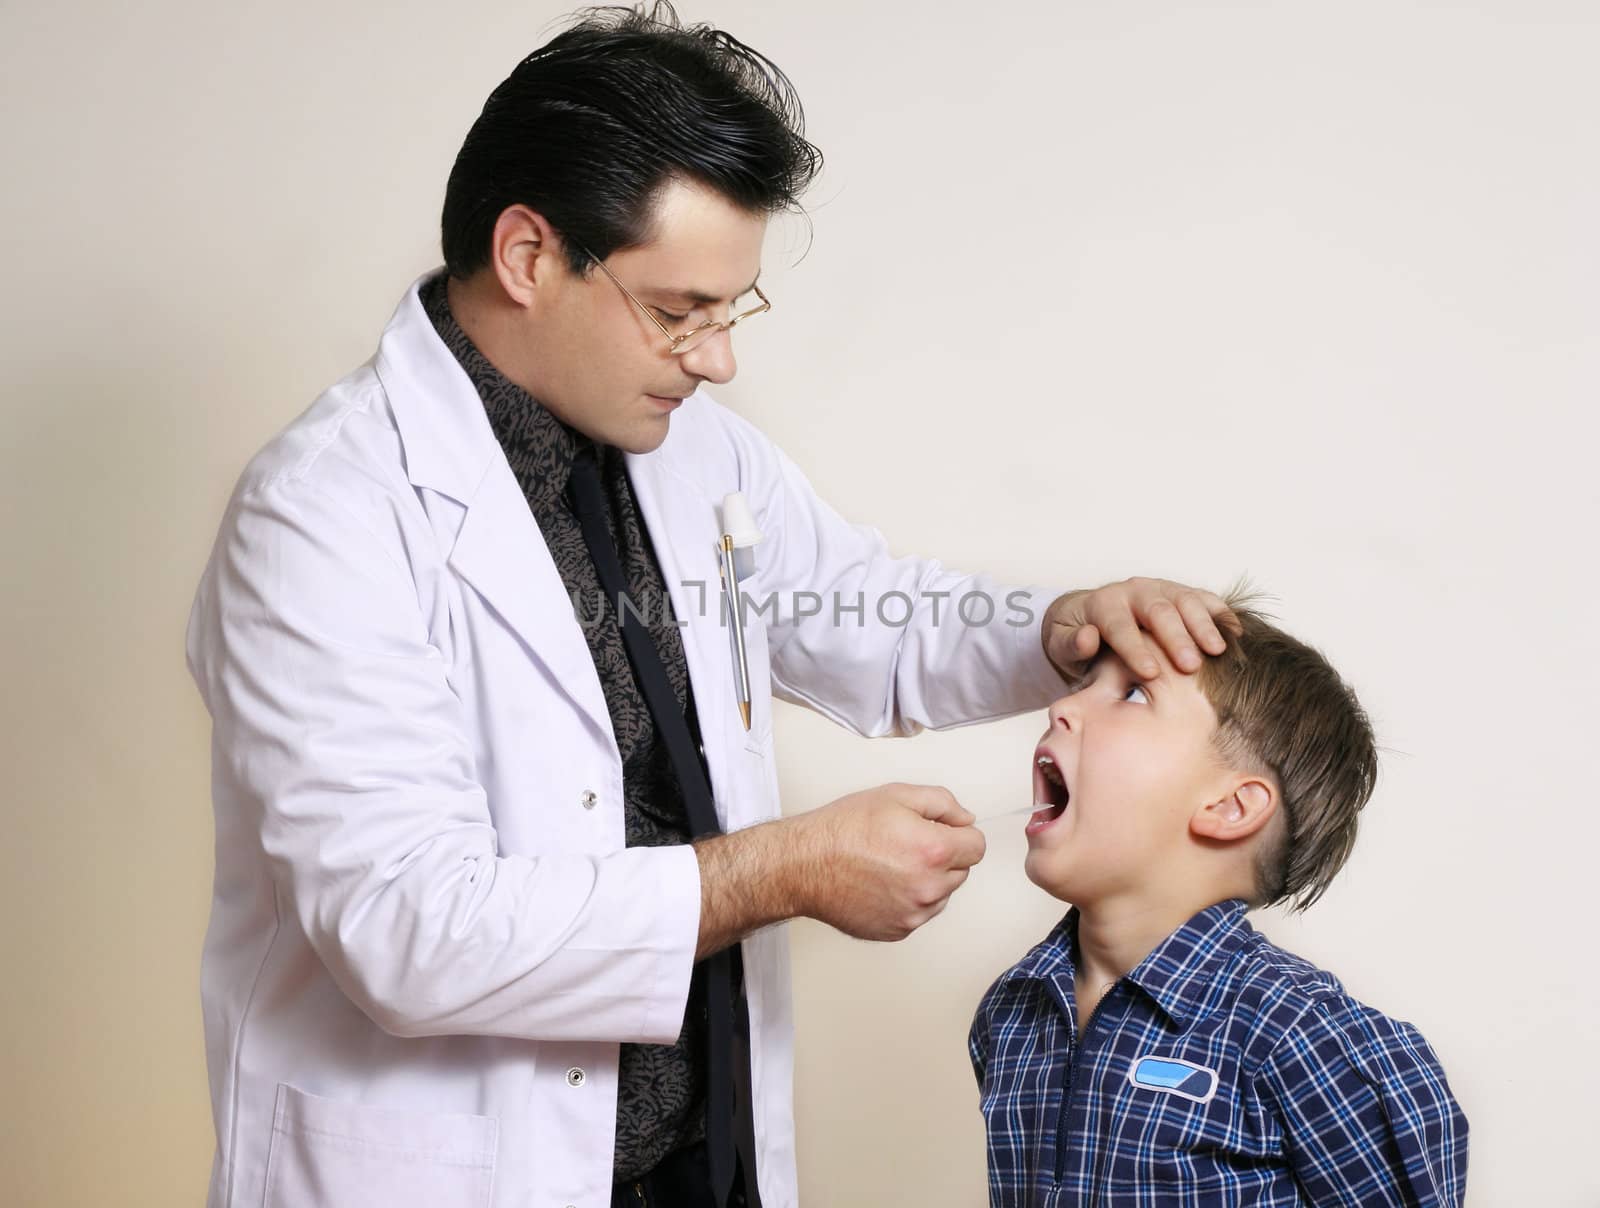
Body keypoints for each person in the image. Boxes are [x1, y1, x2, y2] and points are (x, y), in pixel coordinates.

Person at [185, 6, 1234, 1207]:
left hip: (702, 1156)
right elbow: (409, 924)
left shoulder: (696, 454)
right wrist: (783, 871)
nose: (716, 358)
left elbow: (859, 608)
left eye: (730, 311)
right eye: (679, 311)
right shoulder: (325, 513)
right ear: (528, 255)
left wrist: (1061, 627)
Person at [969, 594, 1468, 1206]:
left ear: (1229, 808)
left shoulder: (1303, 1034)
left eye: (1130, 694)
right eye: (1083, 684)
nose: (1061, 705)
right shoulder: (1013, 1010)